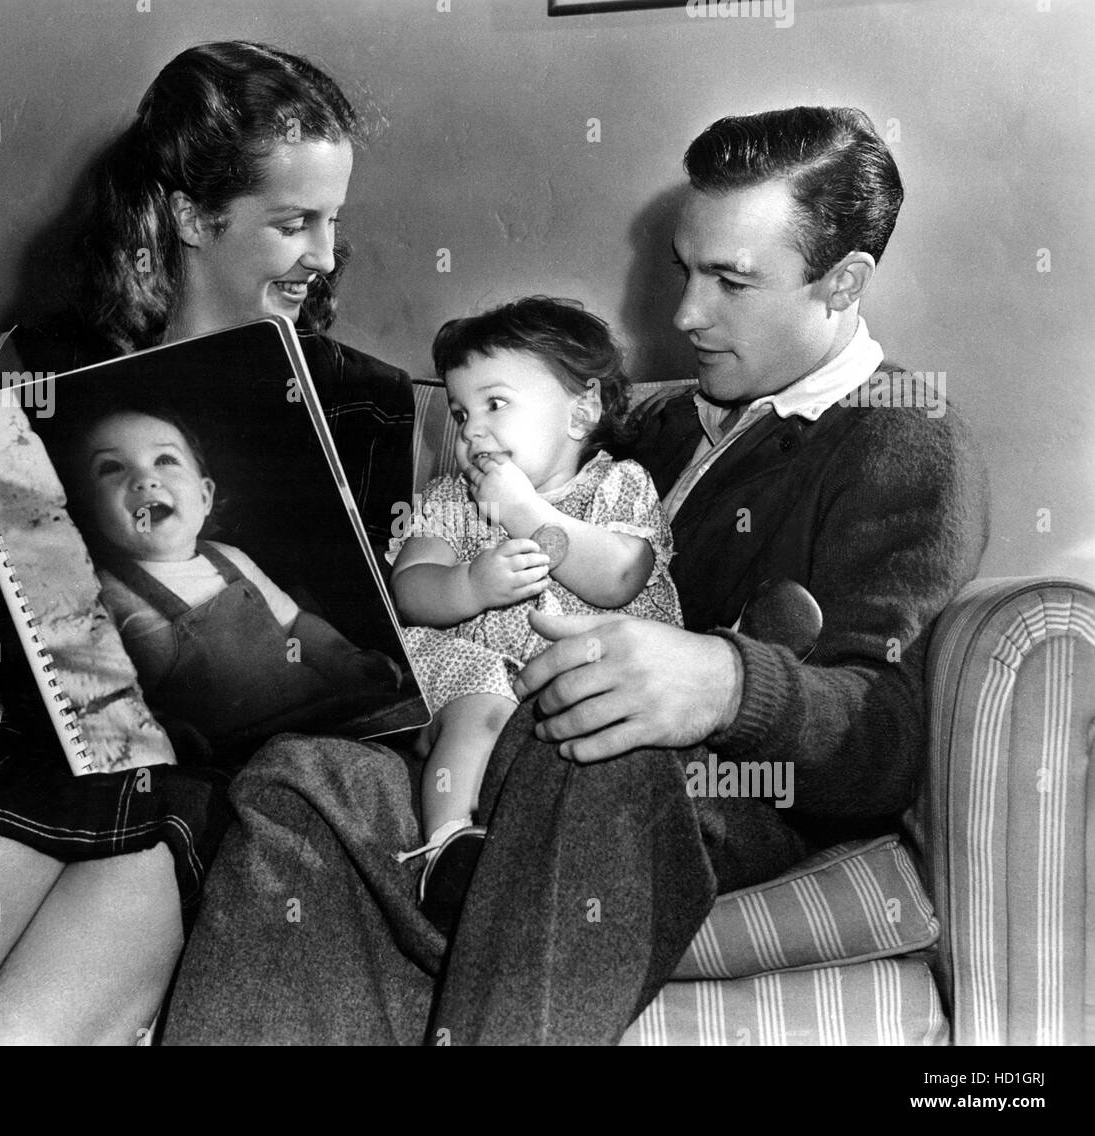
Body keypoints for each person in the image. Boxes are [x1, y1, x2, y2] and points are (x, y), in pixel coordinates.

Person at [163, 106, 989, 1045]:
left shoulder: (901, 440)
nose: (684, 314)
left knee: (592, 749)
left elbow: (884, 734)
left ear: (842, 283)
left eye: (731, 280)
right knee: (299, 778)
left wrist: (722, 683)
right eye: (685, 269)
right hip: (516, 729)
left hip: (701, 783)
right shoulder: (668, 424)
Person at [0, 41, 413, 1044]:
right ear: (185, 214)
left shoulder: (366, 402)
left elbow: (364, 674)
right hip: (49, 752)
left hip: (220, 785)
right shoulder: (41, 365)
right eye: (293, 222)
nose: (325, 255)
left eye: (334, 219)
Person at [388, 298, 681, 925]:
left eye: (495, 405)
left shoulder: (618, 486)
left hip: (581, 689)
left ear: (581, 410)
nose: (470, 432)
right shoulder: (449, 498)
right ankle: (447, 847)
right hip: (483, 681)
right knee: (479, 695)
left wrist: (527, 512)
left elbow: (620, 577)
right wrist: (468, 586)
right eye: (461, 412)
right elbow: (408, 587)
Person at [66, 405, 400, 759]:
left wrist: (344, 658)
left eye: (165, 459)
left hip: (321, 715)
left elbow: (296, 624)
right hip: (239, 754)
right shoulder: (102, 595)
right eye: (111, 468)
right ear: (89, 514)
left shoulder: (231, 559)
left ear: (205, 496)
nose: (144, 479)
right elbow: (113, 703)